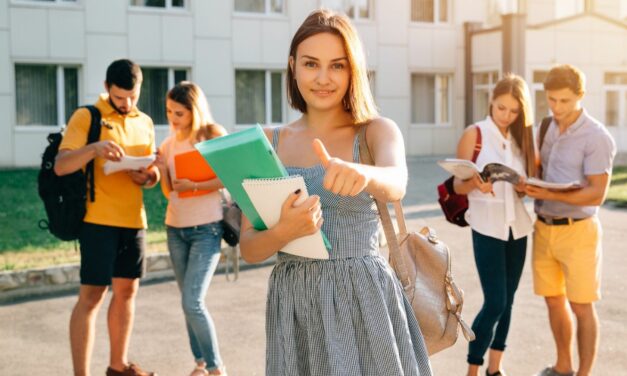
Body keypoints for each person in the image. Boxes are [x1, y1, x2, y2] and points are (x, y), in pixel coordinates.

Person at [238, 9, 432, 376]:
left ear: (353, 71)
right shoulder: (268, 142)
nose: (323, 78)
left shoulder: (375, 131)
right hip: (295, 303)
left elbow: (397, 182)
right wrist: (284, 232)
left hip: (364, 298)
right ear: (293, 66)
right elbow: (249, 247)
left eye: (337, 66)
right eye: (311, 64)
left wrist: (361, 172)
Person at [54, 59, 159, 376]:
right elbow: (61, 165)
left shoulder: (145, 121)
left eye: (132, 97)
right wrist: (95, 148)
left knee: (127, 292)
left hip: (133, 220)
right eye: (119, 98)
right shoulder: (87, 116)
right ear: (106, 88)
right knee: (92, 296)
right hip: (97, 220)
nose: (126, 104)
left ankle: (117, 367)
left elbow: (152, 170)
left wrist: (148, 177)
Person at [525, 65, 616, 376]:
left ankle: (584, 374)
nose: (557, 107)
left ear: (580, 96)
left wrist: (553, 195)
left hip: (579, 231)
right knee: (553, 301)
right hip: (543, 228)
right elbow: (538, 171)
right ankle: (563, 367)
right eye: (551, 99)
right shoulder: (545, 126)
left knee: (581, 307)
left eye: (564, 101)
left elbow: (597, 194)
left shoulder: (597, 136)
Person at [453, 74, 537, 376]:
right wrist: (475, 184)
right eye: (501, 108)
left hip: (518, 229)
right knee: (496, 301)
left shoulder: (522, 138)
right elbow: (457, 185)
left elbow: (527, 186)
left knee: (509, 301)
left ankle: (496, 368)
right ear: (492, 100)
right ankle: (473, 368)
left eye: (514, 111)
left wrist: (524, 188)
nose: (506, 115)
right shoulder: (474, 134)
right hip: (487, 228)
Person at [154, 82, 227, 376]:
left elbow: (228, 177)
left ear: (193, 111)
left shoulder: (212, 135)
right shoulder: (168, 144)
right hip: (175, 228)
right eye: (169, 111)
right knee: (188, 302)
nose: (172, 118)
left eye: (179, 112)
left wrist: (196, 184)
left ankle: (215, 367)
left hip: (206, 228)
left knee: (192, 301)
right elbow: (169, 192)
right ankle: (199, 362)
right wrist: (161, 171)